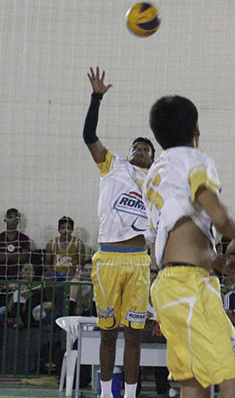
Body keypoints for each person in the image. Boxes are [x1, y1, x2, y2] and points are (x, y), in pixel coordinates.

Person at [145, 94, 235, 398]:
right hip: (190, 287)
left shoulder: (155, 173)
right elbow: (219, 216)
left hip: (166, 287)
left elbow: (178, 238)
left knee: (195, 384)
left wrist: (220, 264)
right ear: (197, 127)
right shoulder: (195, 160)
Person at [84, 66, 156, 398]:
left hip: (139, 260)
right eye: (136, 146)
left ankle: (128, 395)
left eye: (146, 147)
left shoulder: (157, 180)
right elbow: (89, 136)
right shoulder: (114, 165)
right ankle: (104, 393)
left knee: (134, 334)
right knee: (108, 332)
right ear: (129, 153)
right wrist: (96, 98)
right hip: (109, 258)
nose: (140, 149)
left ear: (153, 157)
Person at [0, 208, 31, 280]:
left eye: (15, 218)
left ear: (18, 220)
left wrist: (5, 256)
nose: (13, 221)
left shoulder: (24, 238)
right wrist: (16, 255)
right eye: (10, 218)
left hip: (18, 272)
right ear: (5, 219)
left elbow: (24, 257)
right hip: (1, 271)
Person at [45, 215, 86, 280]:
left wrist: (73, 271)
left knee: (76, 279)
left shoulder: (78, 243)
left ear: (72, 230)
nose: (65, 231)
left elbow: (81, 263)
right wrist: (50, 272)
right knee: (47, 278)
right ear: (58, 230)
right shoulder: (51, 243)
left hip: (72, 272)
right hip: (56, 272)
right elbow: (47, 263)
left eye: (68, 228)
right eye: (63, 228)